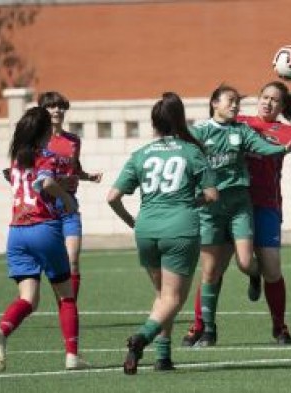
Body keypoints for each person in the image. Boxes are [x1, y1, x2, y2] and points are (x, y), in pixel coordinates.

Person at [182, 81, 291, 346]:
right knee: (213, 268)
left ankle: (279, 327)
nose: (267, 103)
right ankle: (199, 327)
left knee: (271, 269)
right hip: (229, 204)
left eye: (274, 100)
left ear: (282, 106)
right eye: (264, 97)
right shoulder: (241, 122)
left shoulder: (286, 132)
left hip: (265, 206)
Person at [106, 92, 218, 374]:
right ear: (180, 119)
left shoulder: (141, 154)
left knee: (162, 295)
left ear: (154, 123)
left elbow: (111, 197)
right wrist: (192, 203)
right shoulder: (192, 151)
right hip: (180, 228)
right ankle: (141, 338)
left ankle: (164, 357)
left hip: (146, 228)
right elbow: (212, 195)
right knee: (172, 298)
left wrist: (132, 222)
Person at [0, 107, 88, 372]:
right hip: (43, 228)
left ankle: (2, 331)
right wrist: (66, 200)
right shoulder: (47, 157)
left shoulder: (16, 160)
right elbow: (44, 183)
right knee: (66, 296)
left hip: (17, 233)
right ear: (44, 131)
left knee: (28, 298)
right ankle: (72, 356)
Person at [38, 91, 103, 301]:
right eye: (52, 106)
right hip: (43, 207)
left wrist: (87, 176)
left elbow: (74, 169)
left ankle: (69, 307)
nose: (57, 110)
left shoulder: (73, 141)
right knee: (47, 263)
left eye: (60, 106)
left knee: (73, 259)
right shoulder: (36, 142)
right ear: (42, 111)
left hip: (68, 205)